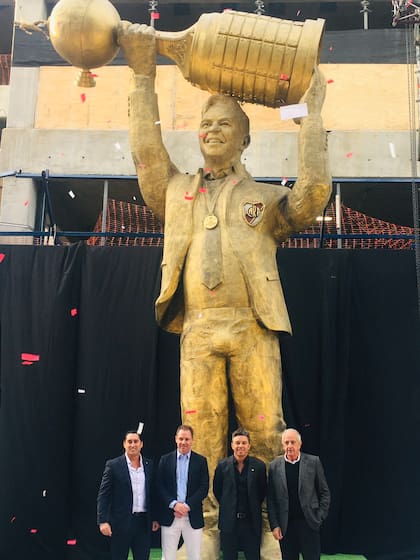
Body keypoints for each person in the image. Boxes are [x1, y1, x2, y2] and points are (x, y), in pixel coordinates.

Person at [117, 21, 331, 557]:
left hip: (253, 326)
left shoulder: (262, 199)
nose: (211, 129)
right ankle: (206, 529)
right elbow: (146, 157)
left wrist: (310, 116)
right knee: (202, 437)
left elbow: (312, 196)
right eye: (204, 123)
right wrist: (143, 76)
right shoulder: (176, 192)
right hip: (198, 328)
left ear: (244, 136)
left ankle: (269, 527)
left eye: (223, 123)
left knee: (266, 432)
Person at [267, 428, 331, 560]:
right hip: (286, 526)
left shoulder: (313, 462)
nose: (289, 446)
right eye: (286, 442)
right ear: (283, 445)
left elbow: (325, 493)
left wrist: (319, 517)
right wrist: (275, 525)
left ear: (299, 444)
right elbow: (271, 499)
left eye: (293, 442)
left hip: (309, 522)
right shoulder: (274, 466)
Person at [97, 429, 159, 560]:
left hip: (143, 523)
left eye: (136, 441)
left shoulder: (149, 465)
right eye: (129, 442)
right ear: (124, 444)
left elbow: (153, 493)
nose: (133, 445)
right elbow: (104, 495)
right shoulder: (113, 465)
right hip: (120, 523)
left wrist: (155, 518)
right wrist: (102, 521)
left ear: (141, 444)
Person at [156, 424, 209, 560]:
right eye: (181, 439)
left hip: (192, 516)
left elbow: (204, 487)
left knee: (194, 556)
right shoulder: (165, 460)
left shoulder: (201, 461)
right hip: (170, 515)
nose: (183, 442)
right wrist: (174, 504)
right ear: (175, 439)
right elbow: (160, 486)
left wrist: (186, 506)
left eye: (187, 439)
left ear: (192, 440)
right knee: (168, 556)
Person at [213, 428, 267, 560]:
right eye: (237, 443)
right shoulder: (222, 466)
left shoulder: (259, 466)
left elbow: (262, 492)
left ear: (249, 445)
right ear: (232, 445)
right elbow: (217, 490)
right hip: (229, 523)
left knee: (253, 556)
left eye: (243, 443)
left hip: (251, 522)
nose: (240, 446)